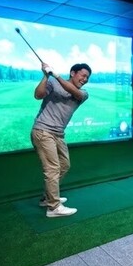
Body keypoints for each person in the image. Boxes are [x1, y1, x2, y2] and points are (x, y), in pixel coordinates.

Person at [31, 62, 91, 217]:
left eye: (87, 78)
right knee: (52, 168)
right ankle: (53, 208)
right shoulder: (52, 83)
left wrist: (56, 75)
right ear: (73, 73)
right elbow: (38, 95)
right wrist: (46, 76)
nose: (85, 79)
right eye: (83, 75)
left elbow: (73, 91)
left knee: (64, 165)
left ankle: (47, 198)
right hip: (43, 131)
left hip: (58, 134)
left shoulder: (83, 93)